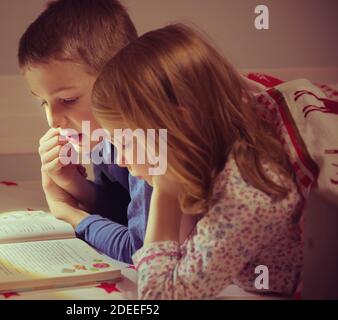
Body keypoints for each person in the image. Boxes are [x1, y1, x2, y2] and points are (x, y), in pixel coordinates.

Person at [92, 24, 303, 299]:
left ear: (180, 122)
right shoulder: (214, 160)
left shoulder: (247, 192)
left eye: (126, 142)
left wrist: (164, 192)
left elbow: (159, 297)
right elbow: (179, 261)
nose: (120, 160)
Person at [17, 0, 152, 263]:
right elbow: (124, 207)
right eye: (43, 102)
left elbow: (143, 251)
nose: (53, 119)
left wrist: (70, 213)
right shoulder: (102, 134)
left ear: (123, 81)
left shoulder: (149, 137)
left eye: (68, 100)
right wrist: (72, 183)